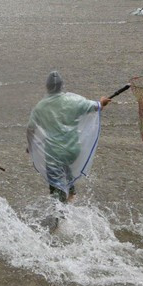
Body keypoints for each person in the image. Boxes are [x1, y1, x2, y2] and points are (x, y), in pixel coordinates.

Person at [26, 72, 110, 203]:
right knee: (65, 165)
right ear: (61, 86)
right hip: (72, 150)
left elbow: (31, 129)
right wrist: (102, 102)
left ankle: (59, 218)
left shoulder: (40, 107)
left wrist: (31, 146)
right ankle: (71, 193)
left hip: (53, 152)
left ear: (47, 87)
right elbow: (96, 107)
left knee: (55, 185)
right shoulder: (73, 101)